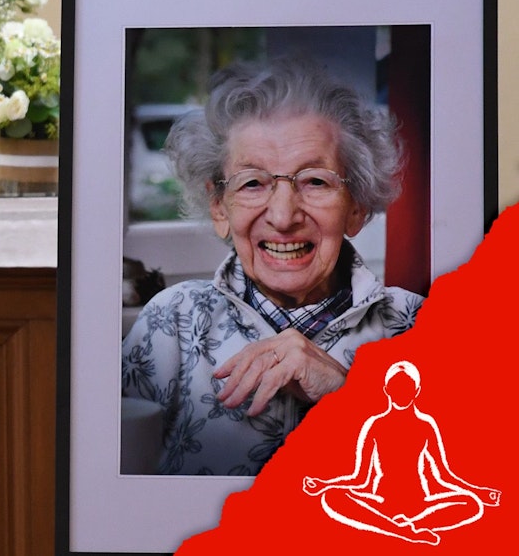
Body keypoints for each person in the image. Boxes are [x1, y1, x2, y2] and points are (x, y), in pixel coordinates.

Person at [121, 59, 423, 475]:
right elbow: (114, 493)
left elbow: (461, 491)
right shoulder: (172, 322)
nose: (283, 216)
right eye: (252, 183)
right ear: (218, 207)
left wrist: (348, 394)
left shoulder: (416, 328)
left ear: (357, 206)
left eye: (316, 181)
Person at [304, 361, 500, 545]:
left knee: (471, 504)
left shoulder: (425, 427)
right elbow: (361, 479)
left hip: (418, 503)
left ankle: (409, 527)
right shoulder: (376, 425)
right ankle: (401, 531)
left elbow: (443, 476)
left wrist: (479, 493)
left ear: (416, 391)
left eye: (406, 387)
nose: (401, 393)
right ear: (387, 390)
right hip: (382, 502)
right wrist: (324, 485)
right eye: (396, 387)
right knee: (332, 497)